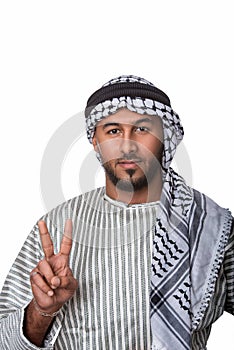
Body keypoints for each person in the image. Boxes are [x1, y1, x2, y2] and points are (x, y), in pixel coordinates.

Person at [0, 75, 233, 350]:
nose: (127, 145)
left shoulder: (210, 225)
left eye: (142, 129)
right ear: (95, 143)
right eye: (112, 131)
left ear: (165, 139)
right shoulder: (57, 225)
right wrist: (42, 309)